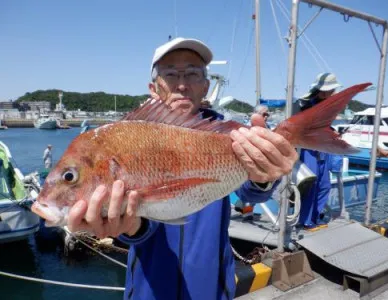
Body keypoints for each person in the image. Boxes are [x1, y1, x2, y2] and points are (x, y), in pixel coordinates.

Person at [67, 37, 298, 300]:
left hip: (212, 287)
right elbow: (139, 227)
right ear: (154, 88)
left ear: (205, 86)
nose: (181, 84)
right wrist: (128, 226)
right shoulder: (129, 138)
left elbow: (251, 194)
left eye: (192, 74)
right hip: (149, 287)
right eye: (170, 75)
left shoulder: (230, 136)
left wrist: (264, 176)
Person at [295, 73, 342, 231]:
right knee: (311, 185)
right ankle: (306, 221)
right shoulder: (305, 104)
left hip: (323, 150)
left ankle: (315, 217)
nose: (333, 92)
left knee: (324, 186)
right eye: (331, 89)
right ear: (322, 90)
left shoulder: (329, 104)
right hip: (309, 150)